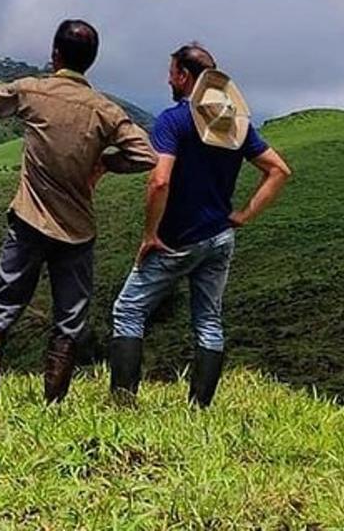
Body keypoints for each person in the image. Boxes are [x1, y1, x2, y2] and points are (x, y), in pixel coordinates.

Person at [0, 19, 157, 406]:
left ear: (55, 53)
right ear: (90, 61)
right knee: (70, 319)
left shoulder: (34, 91)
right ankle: (53, 404)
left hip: (28, 220)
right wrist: (106, 162)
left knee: (2, 308)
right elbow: (146, 155)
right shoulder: (104, 111)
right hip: (76, 231)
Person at [110, 44, 291, 408]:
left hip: (177, 240)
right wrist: (243, 215)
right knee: (208, 320)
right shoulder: (236, 125)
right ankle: (199, 408)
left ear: (185, 77)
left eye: (173, 72)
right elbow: (279, 170)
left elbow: (159, 181)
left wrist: (150, 235)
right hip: (219, 237)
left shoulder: (173, 121)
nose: (168, 78)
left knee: (128, 311)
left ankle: (123, 404)